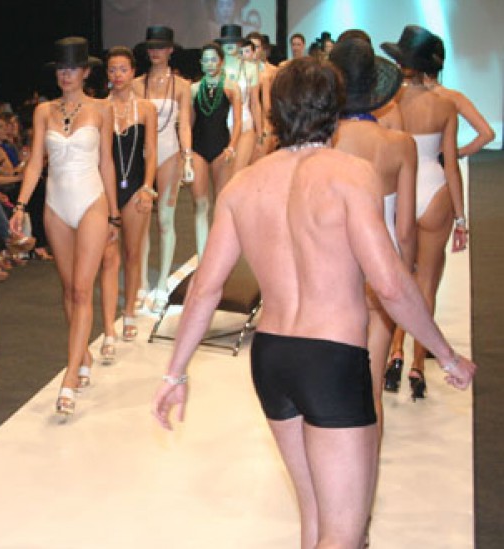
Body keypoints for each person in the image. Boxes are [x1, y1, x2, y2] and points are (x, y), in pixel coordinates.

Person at [152, 57, 476, 548]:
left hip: (271, 358)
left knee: (315, 519)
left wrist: (175, 374)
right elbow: (389, 283)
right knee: (343, 534)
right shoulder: (351, 175)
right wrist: (446, 356)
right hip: (331, 359)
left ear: (276, 111)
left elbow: (204, 289)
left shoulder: (243, 185)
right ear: (334, 109)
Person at [10, 37, 117, 415]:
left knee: (83, 289)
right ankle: (81, 354)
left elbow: (106, 163)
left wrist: (114, 214)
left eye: (72, 68)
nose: (66, 75)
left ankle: (70, 375)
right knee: (69, 288)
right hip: (55, 206)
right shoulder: (43, 111)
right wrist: (20, 205)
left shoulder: (101, 110)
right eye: (61, 68)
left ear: (86, 72)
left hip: (92, 202)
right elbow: (35, 163)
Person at [329, 35, 416, 446]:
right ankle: (367, 478)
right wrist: (404, 278)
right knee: (371, 391)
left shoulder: (323, 142)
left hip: (331, 267)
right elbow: (405, 228)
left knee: (329, 389)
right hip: (381, 268)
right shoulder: (400, 145)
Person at [381, 25, 469, 399]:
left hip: (401, 190)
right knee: (427, 283)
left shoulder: (389, 103)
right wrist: (461, 218)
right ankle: (418, 365)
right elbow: (451, 166)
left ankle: (395, 351)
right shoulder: (445, 105)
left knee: (400, 277)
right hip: (435, 191)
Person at [99, 46, 157, 362]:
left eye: (123, 69)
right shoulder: (99, 108)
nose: (118, 75)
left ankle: (129, 311)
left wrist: (147, 187)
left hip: (135, 188)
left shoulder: (146, 108)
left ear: (133, 72)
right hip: (106, 190)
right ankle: (109, 327)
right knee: (109, 257)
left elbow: (151, 151)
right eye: (112, 70)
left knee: (133, 253)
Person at [133, 26, 194, 313]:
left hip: (170, 153)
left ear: (170, 50)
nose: (155, 52)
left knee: (165, 220)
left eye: (161, 47)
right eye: (151, 47)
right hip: (142, 155)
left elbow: (185, 125)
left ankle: (161, 286)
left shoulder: (181, 86)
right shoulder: (136, 85)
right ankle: (142, 283)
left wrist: (188, 157)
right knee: (141, 221)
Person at [189, 42, 241, 258]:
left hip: (221, 147)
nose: (210, 64)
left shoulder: (231, 88)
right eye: (206, 60)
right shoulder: (193, 89)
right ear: (200, 63)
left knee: (221, 202)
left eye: (213, 59)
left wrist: (232, 146)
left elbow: (237, 122)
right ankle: (202, 254)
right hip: (198, 148)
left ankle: (220, 252)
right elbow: (190, 123)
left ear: (221, 61)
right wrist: (186, 151)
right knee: (200, 203)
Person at [216, 25, 260, 180]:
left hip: (245, 124)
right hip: (218, 127)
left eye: (233, 41)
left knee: (237, 175)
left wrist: (260, 133)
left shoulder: (251, 68)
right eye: (226, 41)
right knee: (222, 180)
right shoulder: (213, 68)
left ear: (240, 44)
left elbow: (255, 103)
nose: (229, 45)